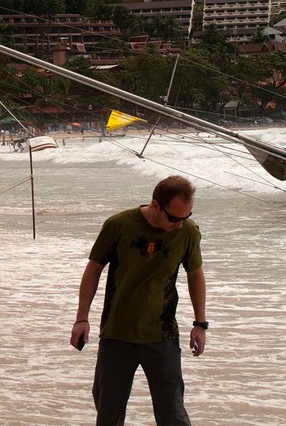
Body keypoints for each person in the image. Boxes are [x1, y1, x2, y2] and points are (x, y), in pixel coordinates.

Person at [71, 175, 207, 426]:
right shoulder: (119, 225)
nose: (179, 224)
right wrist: (82, 319)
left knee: (173, 416)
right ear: (156, 205)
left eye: (186, 217)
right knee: (108, 414)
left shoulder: (188, 232)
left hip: (162, 336)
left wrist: (200, 324)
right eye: (174, 218)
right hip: (117, 335)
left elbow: (195, 274)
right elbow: (93, 270)